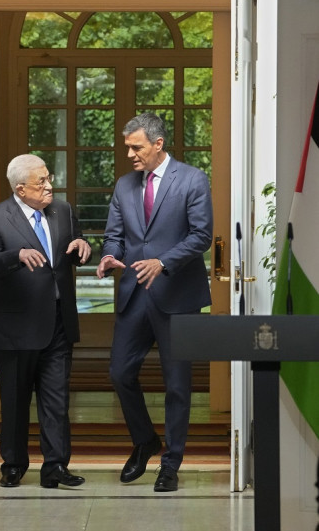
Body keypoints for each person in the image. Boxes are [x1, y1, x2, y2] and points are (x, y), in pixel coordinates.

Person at [96, 112, 213, 492]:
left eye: (136, 147)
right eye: (127, 147)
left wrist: (163, 262)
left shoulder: (193, 179)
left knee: (178, 385)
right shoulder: (124, 185)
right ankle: (145, 440)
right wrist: (110, 256)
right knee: (119, 373)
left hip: (178, 296)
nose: (129, 154)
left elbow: (201, 236)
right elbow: (114, 236)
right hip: (134, 295)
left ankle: (171, 464)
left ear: (158, 144)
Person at [0, 153, 91, 488]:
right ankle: (13, 464)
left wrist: (84, 244)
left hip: (57, 323)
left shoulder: (63, 211)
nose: (49, 185)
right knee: (15, 400)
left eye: (48, 178)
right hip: (14, 329)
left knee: (56, 401)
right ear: (21, 188)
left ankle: (55, 467)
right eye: (41, 181)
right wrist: (16, 256)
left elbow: (77, 246)